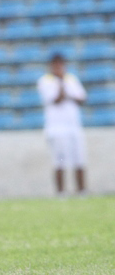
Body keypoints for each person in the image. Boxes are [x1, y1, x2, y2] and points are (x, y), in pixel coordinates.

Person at [36, 53, 87, 195]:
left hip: (74, 126)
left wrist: (66, 85)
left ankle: (82, 191)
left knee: (79, 159)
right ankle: (61, 192)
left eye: (61, 64)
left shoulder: (71, 79)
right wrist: (61, 83)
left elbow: (82, 98)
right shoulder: (45, 81)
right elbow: (57, 99)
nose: (59, 67)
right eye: (56, 64)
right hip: (56, 129)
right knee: (60, 161)